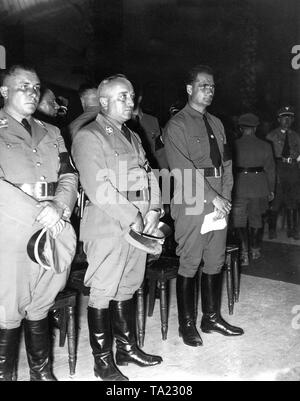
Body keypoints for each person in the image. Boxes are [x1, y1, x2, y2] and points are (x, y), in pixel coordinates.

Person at [71, 74, 163, 381]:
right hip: (108, 225)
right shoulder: (90, 136)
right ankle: (102, 362)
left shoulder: (132, 135)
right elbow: (99, 188)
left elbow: (150, 174)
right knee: (103, 291)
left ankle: (127, 348)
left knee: (128, 286)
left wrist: (153, 209)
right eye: (122, 97)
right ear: (104, 101)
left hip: (137, 221)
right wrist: (133, 216)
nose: (130, 102)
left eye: (132, 96)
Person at [0, 65, 78, 381]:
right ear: (4, 91)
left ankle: (41, 373)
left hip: (54, 225)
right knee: (9, 305)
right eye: (23, 86)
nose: (32, 92)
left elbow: (69, 174)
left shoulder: (53, 132)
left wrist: (60, 205)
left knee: (42, 302)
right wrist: (38, 212)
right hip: (12, 228)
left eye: (36, 87)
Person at [164, 65, 244, 348]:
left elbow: (227, 165)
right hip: (193, 200)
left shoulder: (217, 123)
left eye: (212, 87)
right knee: (190, 262)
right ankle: (187, 325)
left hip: (218, 199)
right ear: (189, 89)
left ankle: (211, 318)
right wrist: (214, 198)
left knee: (215, 260)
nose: (208, 91)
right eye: (202, 86)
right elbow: (183, 169)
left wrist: (225, 198)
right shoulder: (177, 125)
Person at [231, 113, 275, 266]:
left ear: (241, 127)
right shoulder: (266, 146)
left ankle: (243, 254)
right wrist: (271, 190)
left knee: (239, 221)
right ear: (256, 128)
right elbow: (270, 170)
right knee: (256, 219)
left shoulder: (233, 145)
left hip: (239, 187)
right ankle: (255, 249)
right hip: (259, 186)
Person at [266, 106, 300, 240]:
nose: (287, 121)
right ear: (278, 119)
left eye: (290, 118)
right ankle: (272, 230)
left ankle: (292, 230)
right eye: (284, 118)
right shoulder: (271, 136)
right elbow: (267, 156)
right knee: (276, 200)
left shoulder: (296, 136)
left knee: (293, 200)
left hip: (292, 168)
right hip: (277, 167)